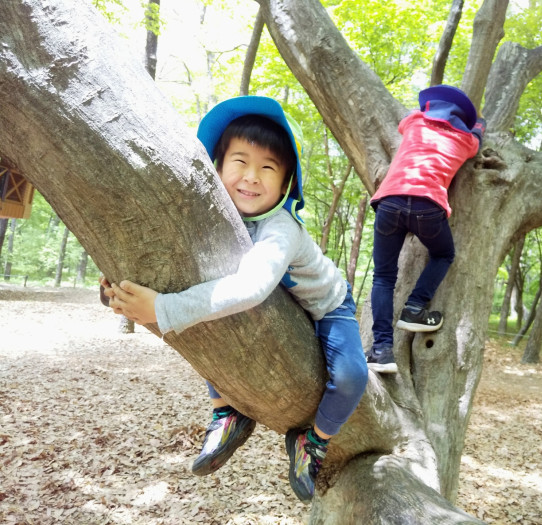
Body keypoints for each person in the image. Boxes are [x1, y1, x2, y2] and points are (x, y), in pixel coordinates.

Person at [100, 96, 368, 502]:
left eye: (267, 167)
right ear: (218, 166)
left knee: (352, 377)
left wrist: (162, 309)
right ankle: (227, 409)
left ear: (285, 182)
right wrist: (117, 286)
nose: (251, 177)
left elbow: (251, 287)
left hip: (328, 305)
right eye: (240, 161)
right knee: (214, 315)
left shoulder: (282, 227)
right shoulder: (212, 220)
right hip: (276, 302)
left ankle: (312, 441)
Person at [366, 85, 486, 374]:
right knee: (443, 255)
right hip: (428, 207)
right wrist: (478, 122)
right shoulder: (466, 139)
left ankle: (382, 350)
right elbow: (479, 133)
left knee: (383, 277)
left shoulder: (415, 123)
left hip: (389, 202)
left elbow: (410, 115)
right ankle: (415, 307)